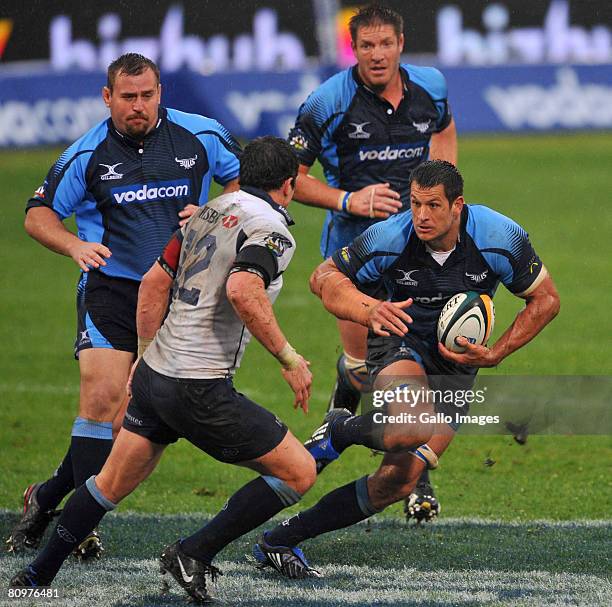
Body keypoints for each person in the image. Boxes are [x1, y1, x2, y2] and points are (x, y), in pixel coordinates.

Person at [10, 137, 318, 601]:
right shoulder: (272, 229)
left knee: (107, 484)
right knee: (299, 471)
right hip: (198, 386)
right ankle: (194, 552)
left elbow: (154, 282)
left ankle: (32, 581)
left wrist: (146, 355)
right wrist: (290, 358)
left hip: (156, 376)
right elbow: (243, 290)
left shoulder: (205, 213)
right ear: (288, 186)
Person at [251, 159, 560, 577]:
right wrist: (369, 308)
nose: (421, 215)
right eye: (415, 203)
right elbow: (323, 278)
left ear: (458, 206)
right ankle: (340, 429)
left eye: (433, 205)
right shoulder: (390, 236)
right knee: (407, 427)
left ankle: (281, 539)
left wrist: (497, 352)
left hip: (457, 367)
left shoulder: (498, 236)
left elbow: (545, 300)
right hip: (400, 343)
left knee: (396, 482)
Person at [6, 53, 240, 559]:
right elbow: (38, 213)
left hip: (181, 296)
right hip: (111, 289)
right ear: (107, 97)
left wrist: (217, 210)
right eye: (128, 97)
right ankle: (81, 525)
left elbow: (244, 185)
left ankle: (46, 498)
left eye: (147, 95)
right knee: (102, 397)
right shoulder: (86, 154)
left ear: (160, 93)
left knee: (135, 415)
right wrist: (73, 246)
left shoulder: (202, 135)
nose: (138, 106)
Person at [287, 4, 457, 519]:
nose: (377, 54)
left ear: (401, 43)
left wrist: (442, 192)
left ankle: (417, 476)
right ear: (353, 49)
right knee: (368, 369)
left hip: (420, 250)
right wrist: (349, 200)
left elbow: (445, 128)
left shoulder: (431, 86)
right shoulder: (326, 102)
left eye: (385, 44)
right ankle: (347, 385)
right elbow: (291, 178)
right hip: (356, 256)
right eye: (366, 46)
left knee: (422, 367)